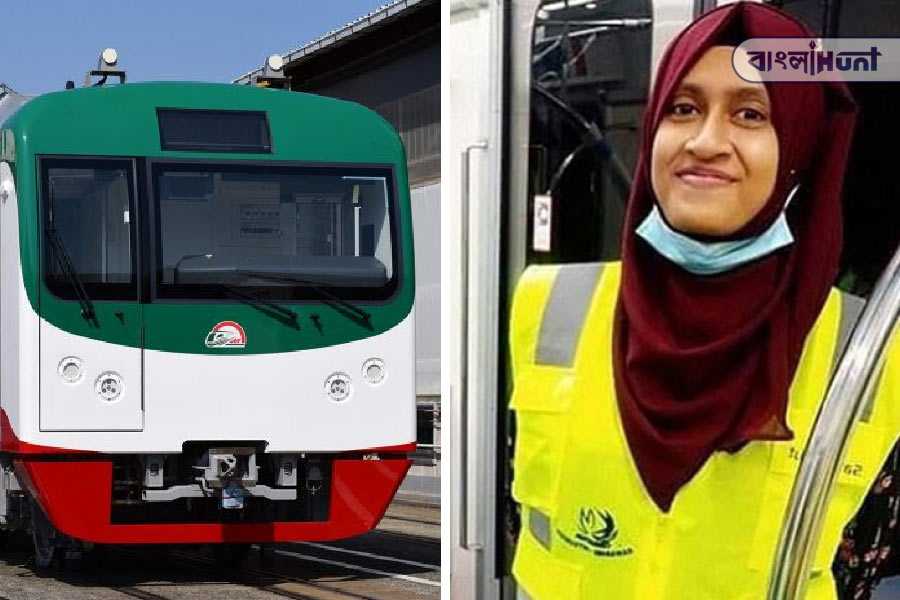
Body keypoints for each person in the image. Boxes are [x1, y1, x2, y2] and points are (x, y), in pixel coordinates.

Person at [508, 3, 900, 599]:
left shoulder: (869, 357)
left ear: (799, 146)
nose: (705, 141)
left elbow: (858, 569)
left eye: (750, 113)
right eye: (683, 108)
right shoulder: (545, 307)